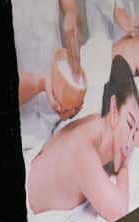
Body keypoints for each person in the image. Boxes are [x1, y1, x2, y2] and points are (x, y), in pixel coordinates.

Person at [27, 56, 139, 222]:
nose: (131, 142)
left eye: (134, 129)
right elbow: (119, 211)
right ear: (114, 111)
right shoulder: (84, 150)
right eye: (130, 124)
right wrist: (124, 165)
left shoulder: (103, 123)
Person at [15, 0, 86, 140]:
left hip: (61, 119)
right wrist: (40, 83)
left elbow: (72, 11)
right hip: (24, 133)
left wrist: (72, 18)